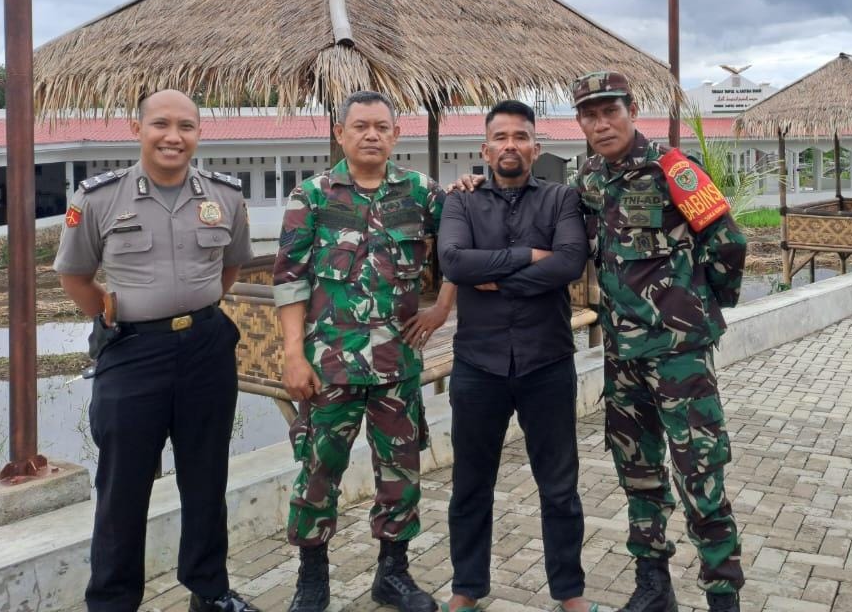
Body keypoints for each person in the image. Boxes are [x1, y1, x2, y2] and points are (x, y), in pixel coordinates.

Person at [54, 89, 259, 612]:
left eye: (186, 126)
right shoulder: (98, 198)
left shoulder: (224, 196)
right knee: (122, 485)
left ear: (198, 133)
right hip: (133, 352)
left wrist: (193, 305)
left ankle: (209, 591)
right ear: (137, 129)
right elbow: (75, 276)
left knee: (206, 475)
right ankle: (112, 601)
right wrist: (119, 314)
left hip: (207, 348)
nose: (174, 137)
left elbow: (231, 266)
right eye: (161, 124)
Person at [572, 71, 746, 612]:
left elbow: (728, 243)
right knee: (638, 472)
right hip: (622, 356)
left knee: (700, 473)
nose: (602, 124)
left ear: (631, 110)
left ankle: (722, 596)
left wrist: (697, 307)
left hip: (678, 357)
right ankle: (654, 585)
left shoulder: (674, 169)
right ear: (580, 122)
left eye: (611, 111)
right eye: (590, 115)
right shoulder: (589, 179)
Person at [272, 91, 447, 612]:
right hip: (329, 367)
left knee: (401, 475)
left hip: (397, 365)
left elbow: (462, 249)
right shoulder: (312, 196)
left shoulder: (422, 193)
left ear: (396, 134)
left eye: (381, 127)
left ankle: (393, 575)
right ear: (340, 133)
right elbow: (289, 280)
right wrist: (293, 354)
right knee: (317, 472)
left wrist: (442, 310)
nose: (371, 135)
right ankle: (312, 580)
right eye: (360, 126)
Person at [437, 100, 598, 612]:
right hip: (477, 365)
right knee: (470, 484)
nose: (511, 145)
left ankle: (569, 593)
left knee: (559, 486)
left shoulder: (561, 199)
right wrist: (528, 256)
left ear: (536, 147)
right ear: (485, 149)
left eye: (520, 137)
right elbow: (453, 262)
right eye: (501, 137)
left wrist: (495, 279)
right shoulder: (461, 202)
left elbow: (569, 263)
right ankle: (466, 588)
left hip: (546, 361)